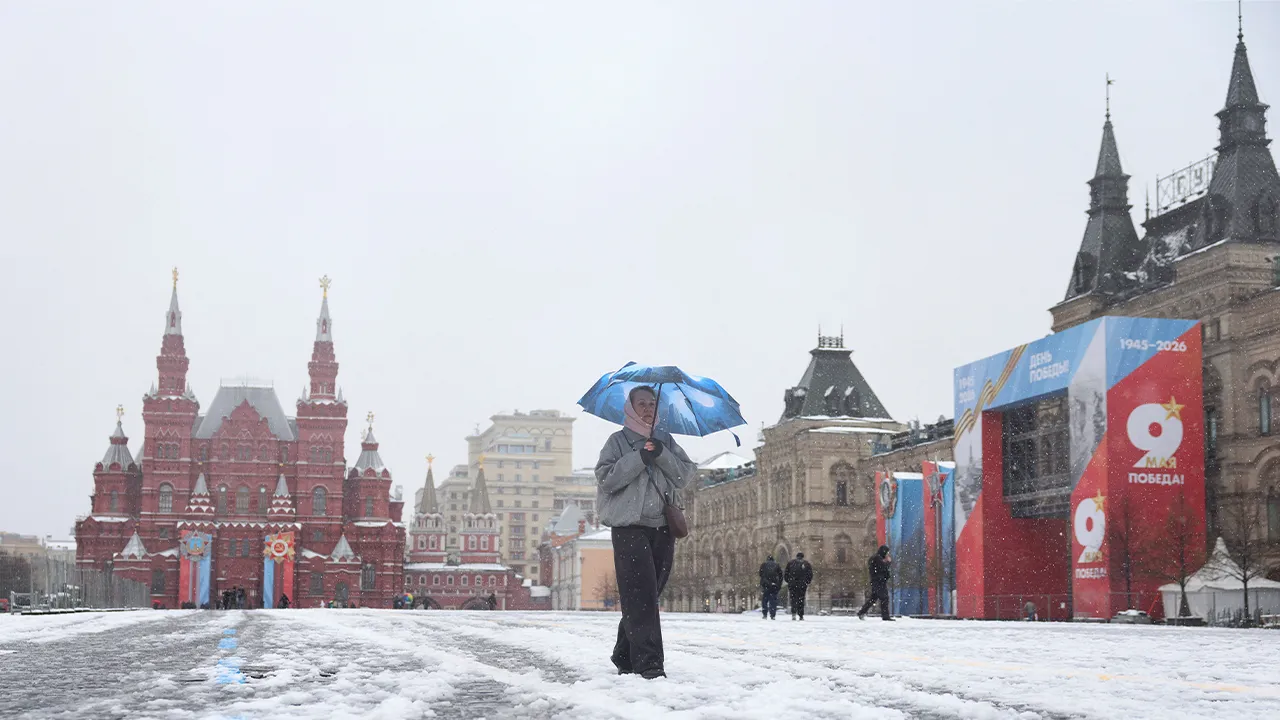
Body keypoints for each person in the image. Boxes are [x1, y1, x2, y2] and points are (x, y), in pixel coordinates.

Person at [596, 385, 696, 680]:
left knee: (648, 595)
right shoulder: (618, 441)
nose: (648, 408)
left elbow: (684, 475)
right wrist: (640, 457)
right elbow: (607, 479)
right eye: (642, 403)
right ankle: (649, 664)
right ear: (630, 407)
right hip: (629, 528)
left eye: (652, 403)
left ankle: (624, 654)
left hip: (663, 528)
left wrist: (661, 453)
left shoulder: (665, 440)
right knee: (641, 594)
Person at [858, 545, 893, 621]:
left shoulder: (875, 558)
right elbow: (883, 568)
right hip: (879, 581)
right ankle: (885, 616)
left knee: (873, 599)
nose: (887, 554)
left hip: (876, 581)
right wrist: (888, 562)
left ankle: (861, 612)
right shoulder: (877, 558)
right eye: (887, 552)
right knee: (884, 598)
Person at [784, 552, 814, 620]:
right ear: (802, 557)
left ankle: (793, 614)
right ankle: (801, 615)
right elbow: (810, 574)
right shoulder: (806, 564)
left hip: (792, 584)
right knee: (801, 599)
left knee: (793, 599)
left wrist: (789, 581)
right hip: (802, 584)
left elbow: (786, 573)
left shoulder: (791, 563)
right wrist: (807, 582)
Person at [758, 555, 783, 620]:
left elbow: (760, 574)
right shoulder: (777, 565)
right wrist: (779, 585)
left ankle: (765, 614)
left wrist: (764, 581)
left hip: (766, 585)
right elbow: (781, 575)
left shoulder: (764, 565)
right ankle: (772, 615)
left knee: (765, 600)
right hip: (774, 585)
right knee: (773, 600)